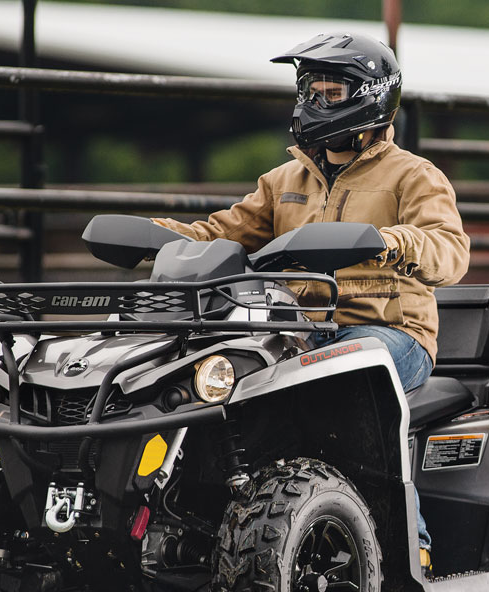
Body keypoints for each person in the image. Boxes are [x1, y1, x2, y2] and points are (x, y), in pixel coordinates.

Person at [155, 32, 469, 393]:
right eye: (310, 92)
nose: (315, 103)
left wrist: (390, 241)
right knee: (214, 375)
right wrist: (160, 236)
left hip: (391, 333)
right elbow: (222, 232)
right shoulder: (284, 179)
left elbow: (450, 250)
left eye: (331, 94)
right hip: (297, 332)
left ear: (372, 96)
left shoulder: (414, 175)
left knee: (335, 371)